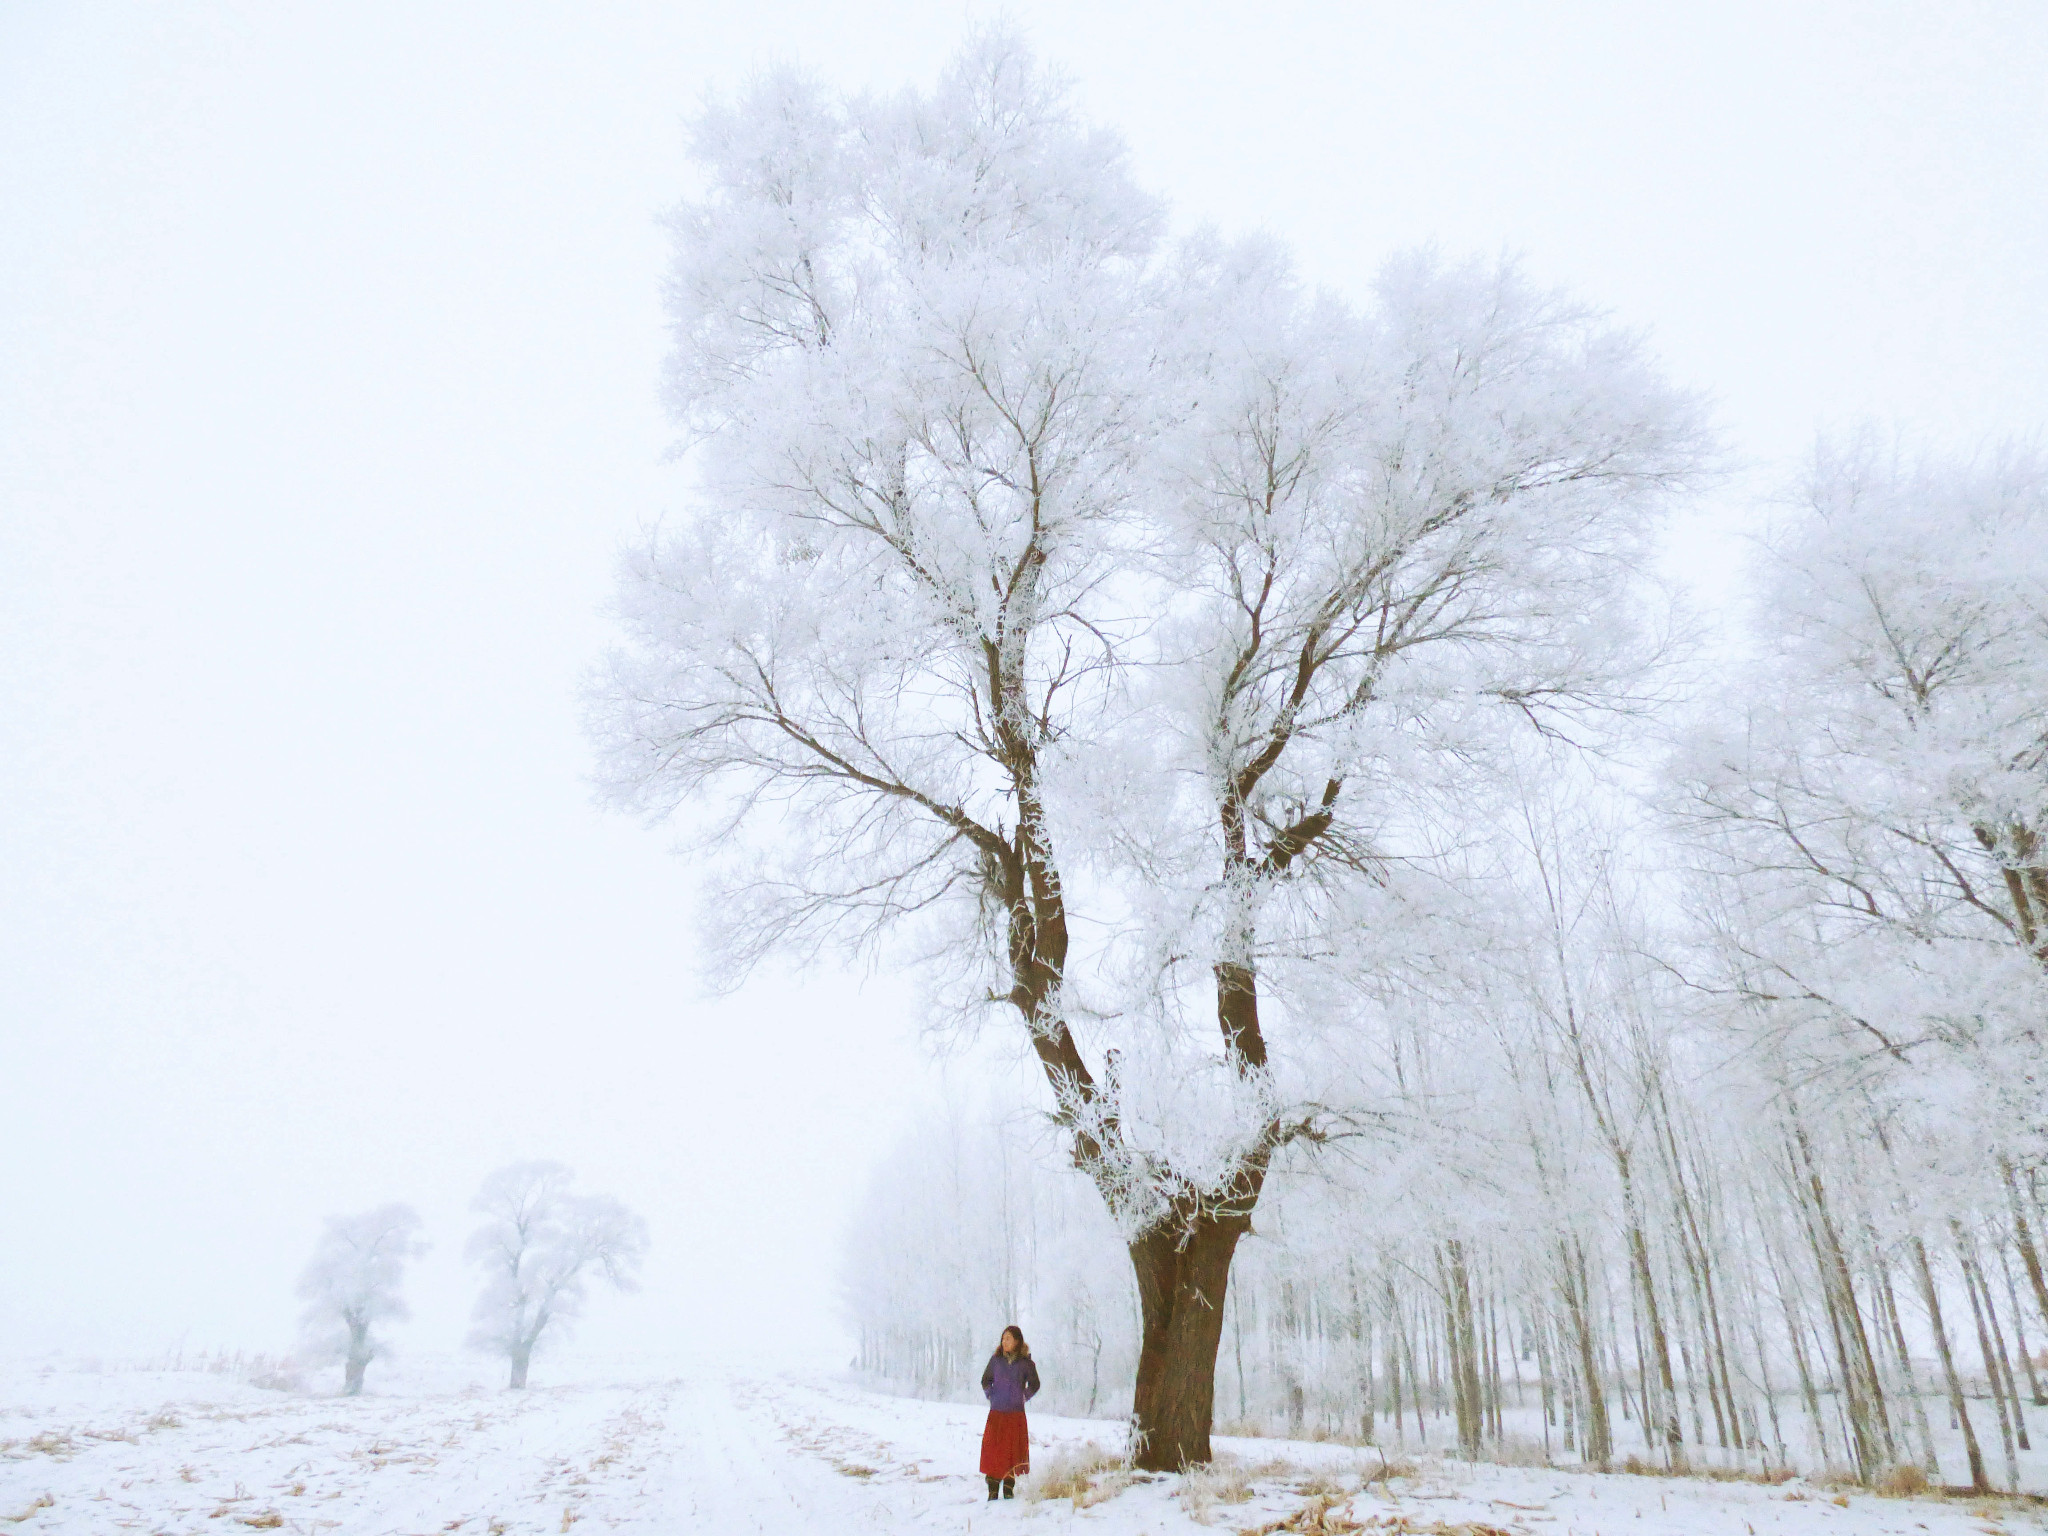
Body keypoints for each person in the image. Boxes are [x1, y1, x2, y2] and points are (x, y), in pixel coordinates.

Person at [978, 1324, 1040, 1500]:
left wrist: (1024, 1397)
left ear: (1017, 1342)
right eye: (1003, 1338)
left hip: (1015, 1415)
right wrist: (991, 1394)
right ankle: (992, 1489)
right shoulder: (995, 1361)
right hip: (997, 1414)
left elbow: (1035, 1384)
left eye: (1008, 1339)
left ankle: (1008, 1488)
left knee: (1011, 1453)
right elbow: (985, 1380)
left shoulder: (1026, 1364)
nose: (1004, 1342)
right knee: (994, 1452)